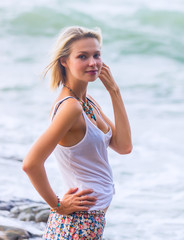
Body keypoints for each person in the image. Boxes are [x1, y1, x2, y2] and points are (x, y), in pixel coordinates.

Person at [22, 26, 132, 239]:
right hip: (77, 223)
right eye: (82, 56)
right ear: (64, 61)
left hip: (90, 221)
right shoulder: (71, 108)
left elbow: (124, 146)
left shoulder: (88, 103)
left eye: (96, 55)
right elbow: (31, 163)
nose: (93, 62)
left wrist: (114, 91)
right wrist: (58, 205)